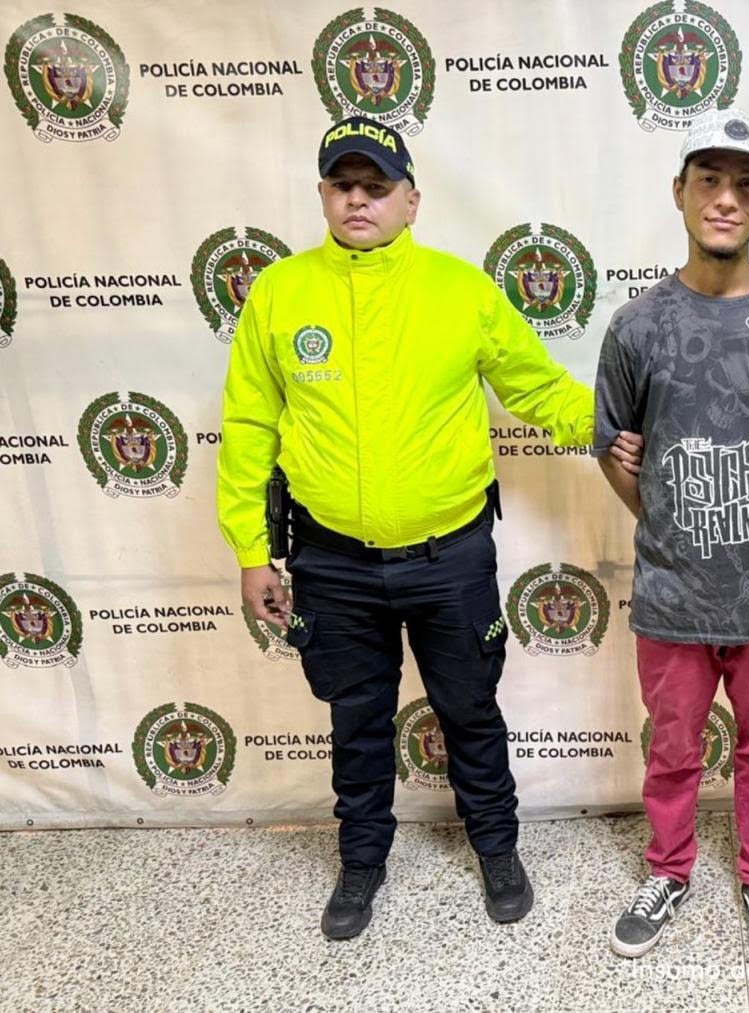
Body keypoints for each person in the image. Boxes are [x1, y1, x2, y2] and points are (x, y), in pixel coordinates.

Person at [216, 115, 596, 940]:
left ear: (411, 200)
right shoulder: (281, 293)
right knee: (355, 720)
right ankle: (361, 862)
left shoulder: (461, 290)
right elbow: (248, 426)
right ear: (322, 193)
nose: (358, 200)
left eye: (376, 186)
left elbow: (540, 390)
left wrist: (621, 423)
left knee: (470, 710)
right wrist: (253, 551)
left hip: (449, 556)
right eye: (343, 185)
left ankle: (497, 847)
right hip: (332, 562)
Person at [593, 109, 749, 969]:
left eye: (747, 183)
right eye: (710, 178)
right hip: (671, 594)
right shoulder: (635, 326)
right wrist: (672, 521)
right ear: (680, 191)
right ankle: (667, 869)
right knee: (670, 747)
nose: (727, 198)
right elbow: (614, 450)